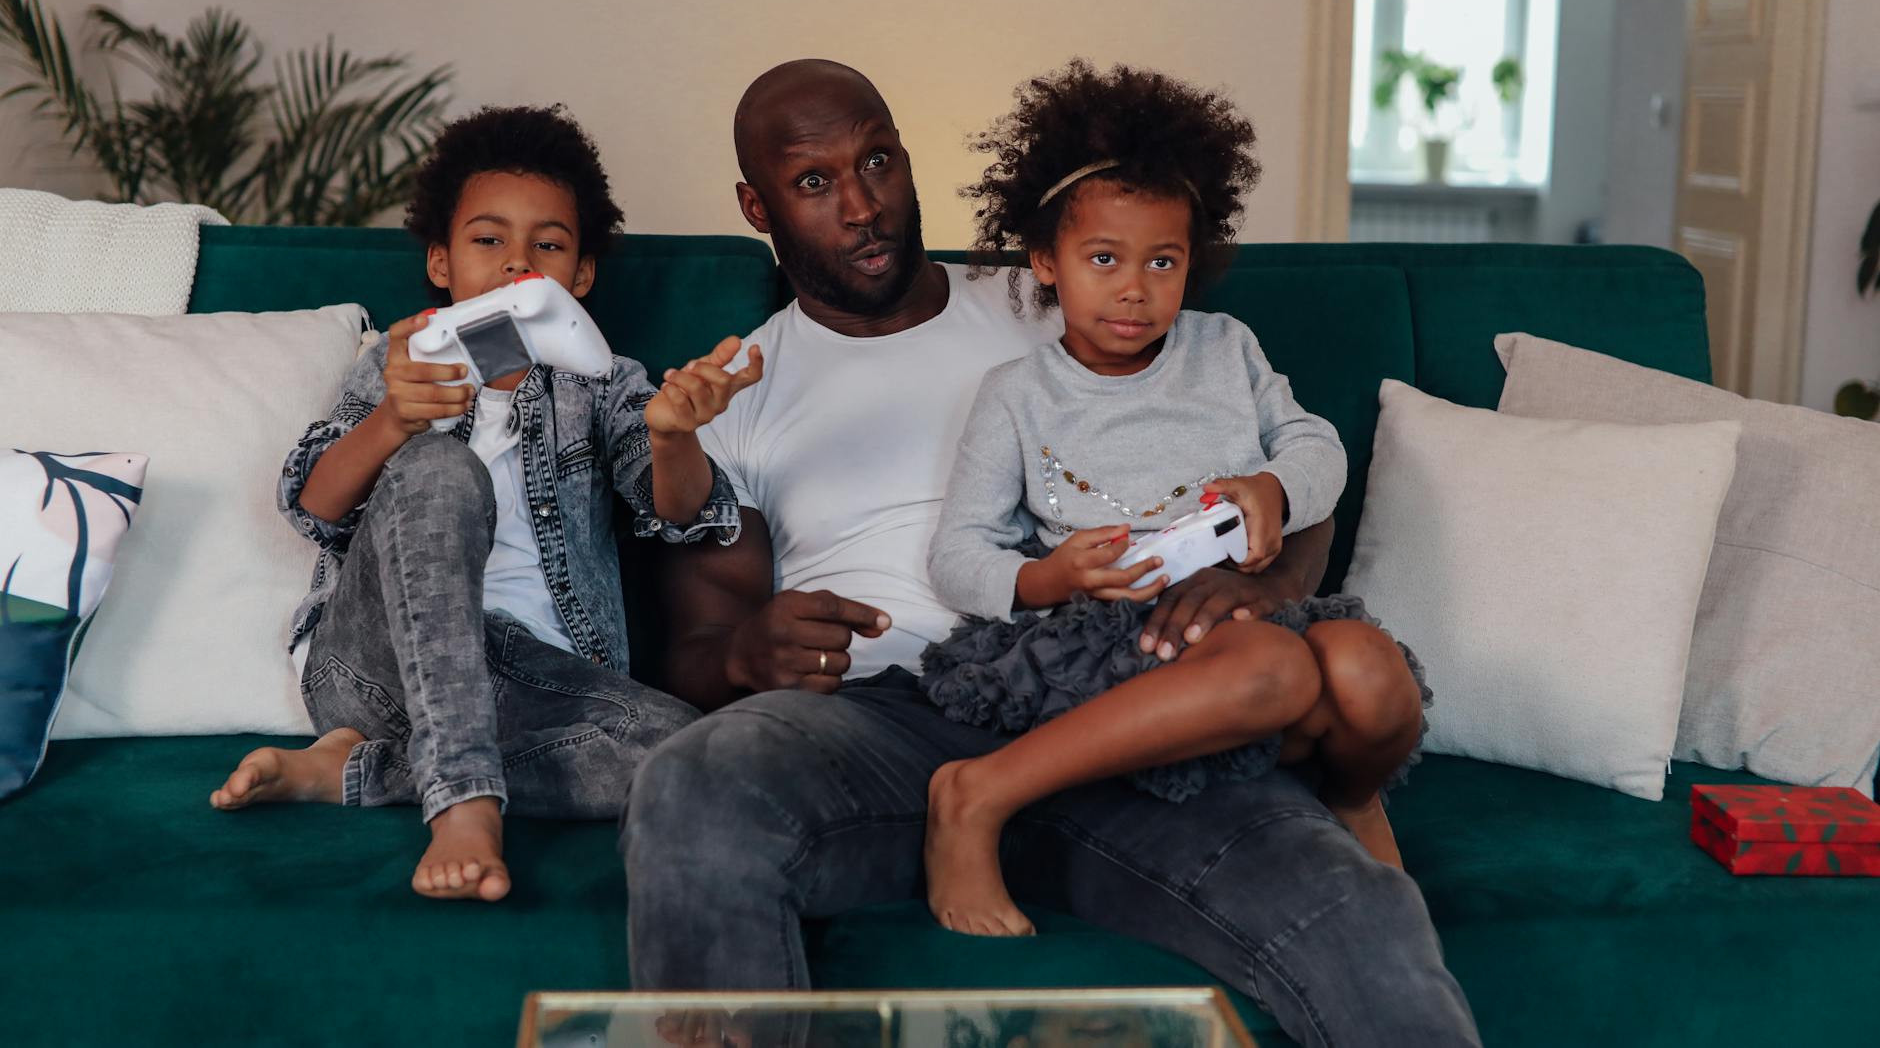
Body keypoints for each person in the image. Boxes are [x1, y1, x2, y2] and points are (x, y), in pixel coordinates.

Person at [624, 61, 1479, 1046]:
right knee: (691, 781)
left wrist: (1259, 582)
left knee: (1354, 910)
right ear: (755, 204)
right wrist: (744, 653)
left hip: (1128, 705)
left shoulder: (1074, 291)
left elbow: (1287, 482)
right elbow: (690, 644)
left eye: (877, 162)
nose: (860, 204)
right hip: (880, 727)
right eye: (814, 183)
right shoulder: (740, 391)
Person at [919, 60, 1430, 938]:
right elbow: (958, 553)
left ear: (1193, 261)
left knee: (1373, 675)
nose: (1134, 287)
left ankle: (1351, 794)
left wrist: (1274, 485)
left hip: (1242, 617)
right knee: (1275, 668)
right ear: (1045, 262)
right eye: (1104, 258)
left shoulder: (1226, 349)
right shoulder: (1018, 393)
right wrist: (1047, 578)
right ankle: (978, 793)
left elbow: (1319, 448)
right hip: (1109, 637)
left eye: (1163, 260)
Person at [210, 105, 759, 903]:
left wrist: (673, 435)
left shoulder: (606, 383)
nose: (517, 263)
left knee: (690, 754)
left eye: (549, 244)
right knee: (439, 465)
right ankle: (463, 802)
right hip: (373, 668)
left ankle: (364, 769)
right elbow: (313, 507)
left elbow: (677, 511)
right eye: (488, 239)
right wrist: (396, 418)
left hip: (536, 684)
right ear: (442, 260)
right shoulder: (399, 365)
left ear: (581, 277)